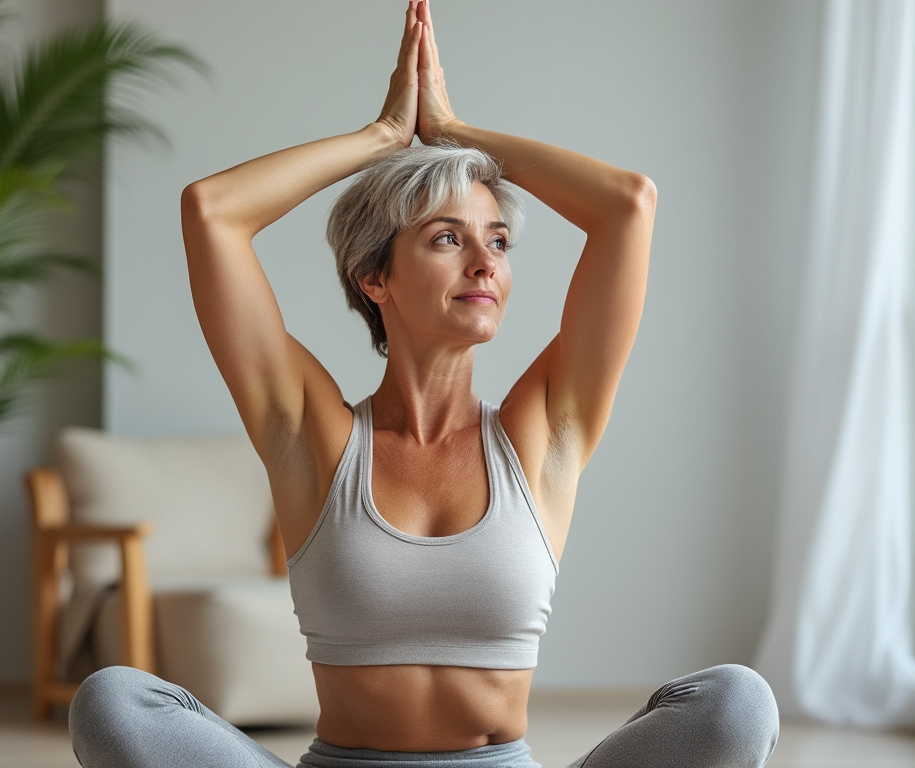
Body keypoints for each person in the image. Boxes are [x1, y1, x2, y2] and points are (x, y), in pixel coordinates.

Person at [68, 2, 780, 766]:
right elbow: (211, 212)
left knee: (737, 702)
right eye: (448, 238)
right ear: (375, 276)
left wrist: (454, 133)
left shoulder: (544, 431)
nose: (486, 264)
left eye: (497, 242)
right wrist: (379, 139)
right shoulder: (310, 433)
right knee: (113, 702)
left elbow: (627, 206)